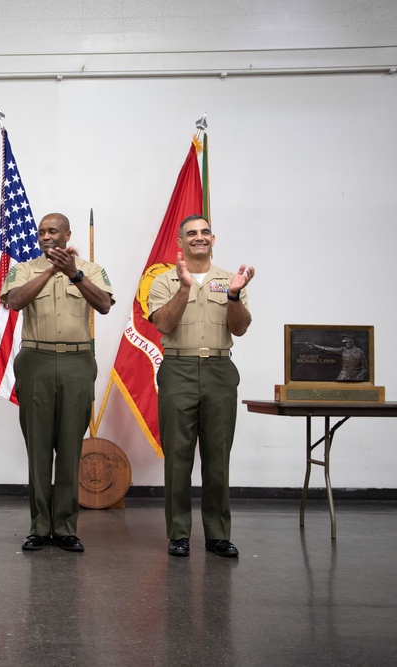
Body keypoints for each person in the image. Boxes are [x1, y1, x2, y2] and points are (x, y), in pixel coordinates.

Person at [0, 213, 113, 553]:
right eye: (42, 232)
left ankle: (64, 527)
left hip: (77, 362)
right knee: (37, 448)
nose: (46, 236)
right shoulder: (23, 269)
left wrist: (73, 273)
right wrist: (51, 270)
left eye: (53, 231)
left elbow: (104, 305)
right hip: (36, 360)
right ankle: (39, 526)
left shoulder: (90, 270)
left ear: (67, 234)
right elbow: (16, 302)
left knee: (69, 448)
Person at [148, 215, 255, 558]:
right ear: (180, 242)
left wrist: (235, 296)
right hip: (178, 367)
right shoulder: (164, 280)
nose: (199, 237)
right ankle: (179, 534)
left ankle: (218, 535)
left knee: (217, 457)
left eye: (204, 232)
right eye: (191, 233)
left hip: (220, 370)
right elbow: (163, 323)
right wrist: (183, 287)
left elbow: (239, 329)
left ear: (213, 239)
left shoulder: (230, 280)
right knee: (177, 457)